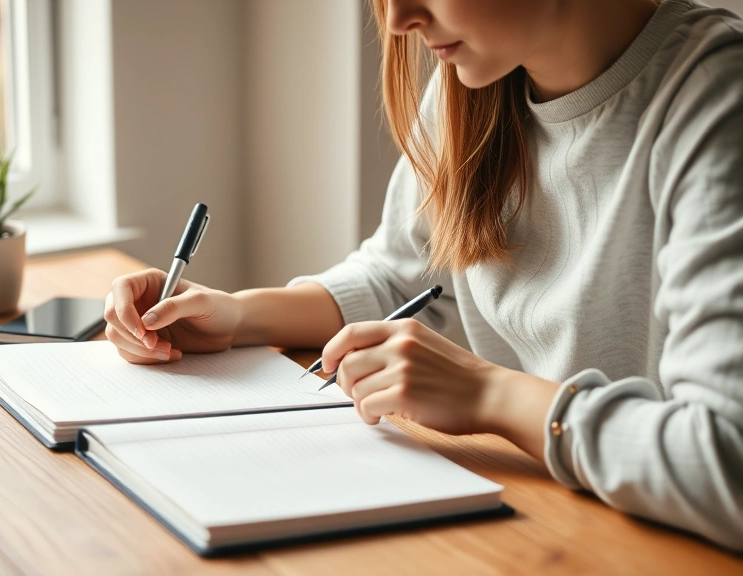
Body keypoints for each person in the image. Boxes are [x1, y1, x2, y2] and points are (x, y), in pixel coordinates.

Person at [103, 0, 743, 551]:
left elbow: (724, 459)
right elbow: (398, 280)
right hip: (534, 521)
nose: (402, 19)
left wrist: (489, 396)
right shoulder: (473, 83)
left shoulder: (715, 104)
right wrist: (239, 316)